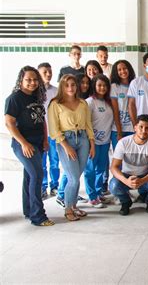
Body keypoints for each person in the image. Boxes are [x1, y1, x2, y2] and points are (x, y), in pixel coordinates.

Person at [4, 66, 54, 226]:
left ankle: (28, 210)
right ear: (21, 80)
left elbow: (42, 119)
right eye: (28, 80)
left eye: (35, 80)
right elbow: (9, 124)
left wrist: (45, 140)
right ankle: (38, 216)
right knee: (37, 175)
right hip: (24, 144)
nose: (32, 83)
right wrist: (24, 143)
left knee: (29, 176)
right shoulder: (14, 98)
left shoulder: (36, 96)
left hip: (38, 142)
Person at [48, 74, 95, 221]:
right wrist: (66, 146)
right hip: (65, 140)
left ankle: (74, 206)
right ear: (62, 86)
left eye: (73, 84)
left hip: (83, 140)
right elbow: (53, 129)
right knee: (73, 178)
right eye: (67, 85)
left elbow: (88, 125)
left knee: (77, 175)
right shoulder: (55, 103)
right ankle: (68, 208)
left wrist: (92, 144)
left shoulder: (82, 103)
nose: (70, 88)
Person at [109, 115, 148, 215]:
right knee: (113, 186)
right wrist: (126, 181)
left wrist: (142, 180)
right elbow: (114, 167)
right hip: (126, 176)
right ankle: (125, 202)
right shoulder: (123, 143)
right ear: (135, 128)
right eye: (140, 127)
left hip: (144, 177)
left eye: (147, 128)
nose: (143, 130)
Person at [84, 75, 114, 208]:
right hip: (93, 143)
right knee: (90, 170)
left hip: (105, 142)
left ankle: (97, 192)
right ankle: (91, 197)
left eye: (105, 85)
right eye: (99, 85)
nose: (102, 88)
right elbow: (86, 123)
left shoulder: (108, 102)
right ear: (94, 86)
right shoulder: (89, 102)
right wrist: (90, 142)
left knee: (101, 169)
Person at [38, 62, 59, 198]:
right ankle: (43, 186)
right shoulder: (35, 92)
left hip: (53, 132)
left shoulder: (56, 91)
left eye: (50, 71)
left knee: (54, 161)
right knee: (41, 162)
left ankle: (54, 186)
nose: (48, 74)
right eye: (45, 72)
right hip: (39, 133)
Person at [110, 60, 136, 149]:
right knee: (118, 157)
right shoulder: (114, 87)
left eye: (124, 68)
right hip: (117, 129)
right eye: (119, 70)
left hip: (132, 128)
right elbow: (115, 111)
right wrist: (119, 131)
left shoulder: (135, 85)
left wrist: (136, 127)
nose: (122, 71)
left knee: (131, 158)